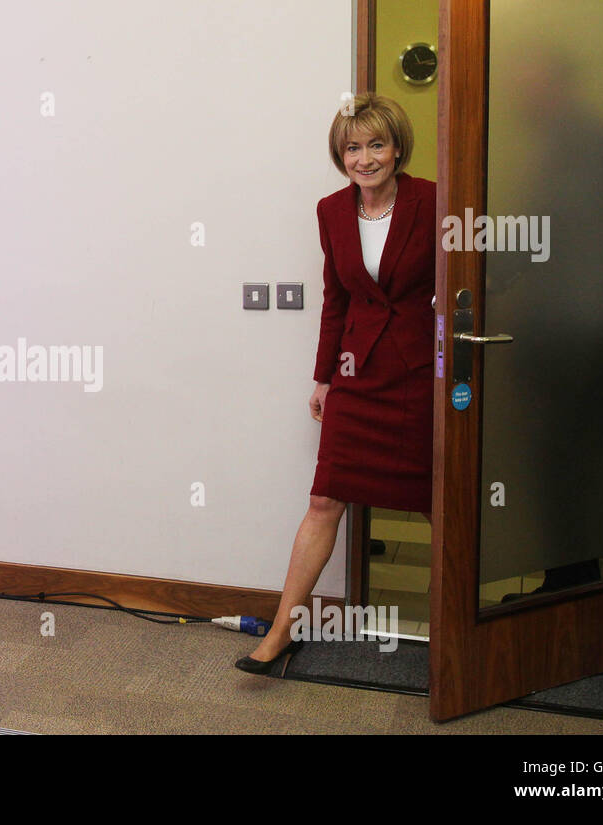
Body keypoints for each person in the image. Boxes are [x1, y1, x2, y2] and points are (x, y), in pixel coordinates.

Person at [236, 93, 435, 675]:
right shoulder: (330, 211)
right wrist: (324, 376)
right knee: (324, 498)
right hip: (358, 372)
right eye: (354, 147)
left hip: (419, 373)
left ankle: (458, 633)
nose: (366, 158)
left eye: (377, 145)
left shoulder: (433, 200)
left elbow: (462, 285)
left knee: (436, 503)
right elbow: (337, 300)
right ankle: (282, 631)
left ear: (397, 147)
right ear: (340, 154)